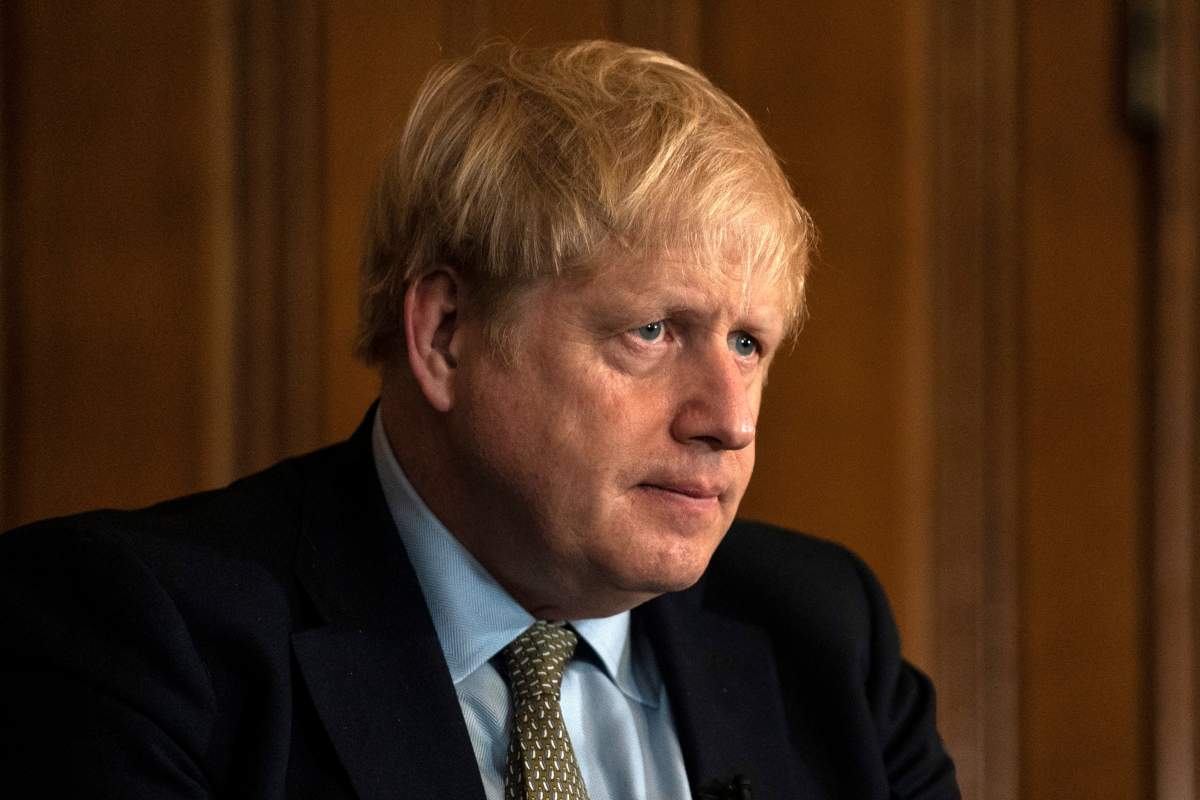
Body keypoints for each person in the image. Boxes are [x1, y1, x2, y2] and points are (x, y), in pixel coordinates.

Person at [0, 40, 958, 799]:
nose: (728, 421)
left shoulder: (825, 639)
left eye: (749, 345)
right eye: (656, 331)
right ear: (447, 334)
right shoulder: (143, 638)